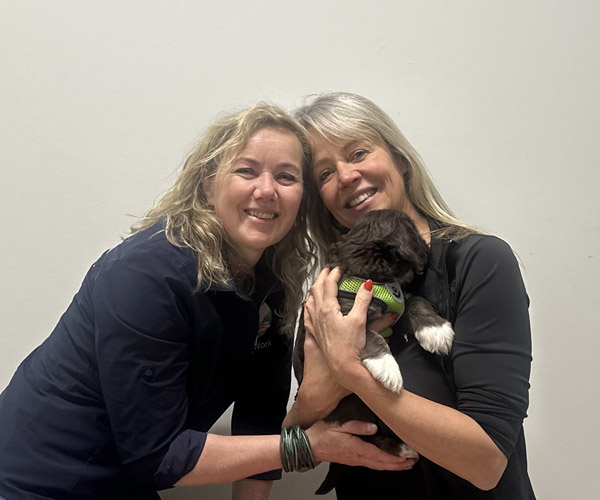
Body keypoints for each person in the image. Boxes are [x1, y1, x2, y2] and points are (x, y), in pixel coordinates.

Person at [0, 103, 412, 500]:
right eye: (246, 171)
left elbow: (259, 415)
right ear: (208, 186)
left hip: (123, 482)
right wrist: (308, 446)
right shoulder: (147, 273)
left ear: (302, 199)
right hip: (32, 480)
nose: (266, 190)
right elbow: (159, 457)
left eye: (286, 177)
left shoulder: (271, 285)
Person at [290, 92, 536, 499]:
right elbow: (298, 452)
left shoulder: (477, 261)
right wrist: (311, 401)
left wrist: (350, 371)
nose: (346, 176)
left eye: (358, 152)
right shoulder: (330, 290)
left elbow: (487, 464)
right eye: (325, 174)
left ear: (400, 160)